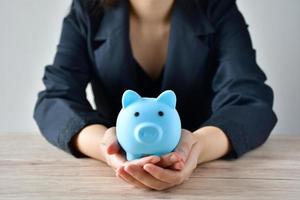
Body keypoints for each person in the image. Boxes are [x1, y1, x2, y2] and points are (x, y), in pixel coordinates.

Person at [33, 0, 277, 190]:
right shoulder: (87, 10)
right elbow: (56, 98)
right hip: (111, 180)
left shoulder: (217, 7)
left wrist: (196, 148)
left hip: (207, 177)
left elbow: (250, 100)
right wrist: (106, 148)